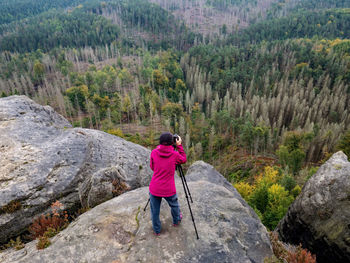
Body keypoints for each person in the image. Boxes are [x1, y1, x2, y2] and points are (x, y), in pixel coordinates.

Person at [149, 132, 187, 236]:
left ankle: (157, 230)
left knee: (154, 211)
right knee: (174, 205)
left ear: (160, 142)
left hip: (155, 187)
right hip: (168, 189)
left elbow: (152, 167)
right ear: (172, 142)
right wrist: (179, 146)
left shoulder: (154, 152)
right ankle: (176, 220)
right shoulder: (175, 155)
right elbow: (183, 159)